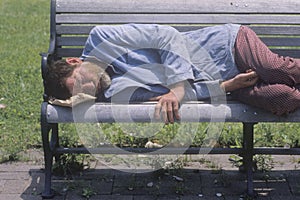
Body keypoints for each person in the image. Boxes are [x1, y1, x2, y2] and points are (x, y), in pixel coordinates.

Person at [45, 23, 300, 123]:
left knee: (274, 68)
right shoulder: (114, 93)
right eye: (82, 94)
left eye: (81, 81)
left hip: (227, 47)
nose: (90, 89)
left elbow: (166, 35)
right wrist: (228, 86)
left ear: (75, 60)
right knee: (283, 98)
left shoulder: (103, 37)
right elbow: (170, 97)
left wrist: (177, 87)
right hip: (229, 81)